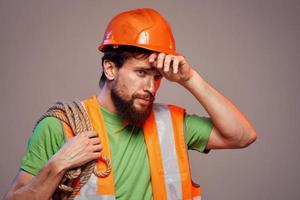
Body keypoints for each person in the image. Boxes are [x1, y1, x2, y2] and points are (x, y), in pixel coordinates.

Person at [4, 8, 256, 200]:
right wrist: (58, 164)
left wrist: (190, 79)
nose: (151, 87)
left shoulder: (172, 124)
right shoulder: (61, 127)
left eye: (157, 77)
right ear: (110, 68)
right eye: (141, 73)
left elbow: (242, 136)